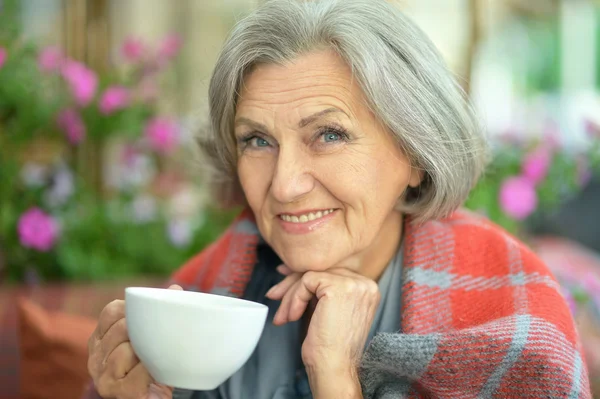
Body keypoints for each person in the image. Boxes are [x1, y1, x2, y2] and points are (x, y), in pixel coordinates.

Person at [85, 0, 592, 398]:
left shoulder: (514, 318)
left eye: (328, 134)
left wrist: (337, 381)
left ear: (414, 153)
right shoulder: (210, 289)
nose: (284, 185)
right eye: (257, 140)